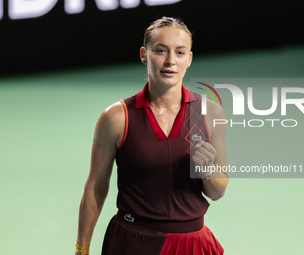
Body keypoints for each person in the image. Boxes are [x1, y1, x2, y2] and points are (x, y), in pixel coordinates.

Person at [75, 16, 228, 255]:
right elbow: (96, 186)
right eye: (160, 51)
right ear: (144, 55)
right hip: (131, 243)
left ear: (189, 59)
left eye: (179, 53)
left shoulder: (209, 113)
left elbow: (217, 192)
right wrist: (81, 249)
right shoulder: (117, 117)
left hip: (193, 245)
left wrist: (207, 170)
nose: (170, 61)